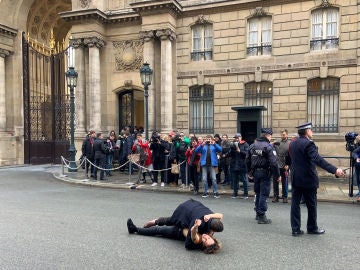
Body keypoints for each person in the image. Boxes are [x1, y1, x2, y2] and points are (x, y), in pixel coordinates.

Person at [288, 122, 345, 236]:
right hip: (308, 179)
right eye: (311, 130)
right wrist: (335, 170)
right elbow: (318, 159)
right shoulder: (309, 144)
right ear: (307, 131)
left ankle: (295, 229)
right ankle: (312, 227)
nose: (312, 132)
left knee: (295, 205)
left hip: (295, 178)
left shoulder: (293, 143)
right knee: (311, 205)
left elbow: (289, 159)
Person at [126, 218, 222, 254]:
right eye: (209, 238)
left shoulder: (197, 241)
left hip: (177, 232)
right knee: (165, 220)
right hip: (181, 224)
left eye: (205, 240)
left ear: (203, 245)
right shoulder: (209, 232)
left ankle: (135, 229)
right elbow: (219, 217)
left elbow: (193, 234)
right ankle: (152, 222)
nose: (205, 237)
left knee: (158, 230)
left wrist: (195, 227)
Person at [246, 128, 280, 224]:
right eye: (270, 136)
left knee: (258, 193)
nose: (270, 138)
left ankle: (257, 212)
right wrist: (277, 175)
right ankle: (261, 215)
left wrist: (249, 172)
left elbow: (247, 160)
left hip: (255, 173)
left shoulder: (252, 146)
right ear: (267, 136)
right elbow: (274, 163)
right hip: (265, 173)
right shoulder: (268, 146)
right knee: (264, 194)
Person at [228, 133, 249, 199]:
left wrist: (240, 151)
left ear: (240, 137)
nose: (236, 139)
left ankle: (246, 194)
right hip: (234, 165)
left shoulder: (245, 144)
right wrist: (225, 154)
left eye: (237, 138)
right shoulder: (233, 145)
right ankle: (235, 193)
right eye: (235, 138)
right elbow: (230, 153)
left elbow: (247, 154)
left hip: (242, 165)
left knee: (244, 180)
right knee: (235, 180)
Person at [272, 129, 291, 203]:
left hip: (285, 165)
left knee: (284, 181)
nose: (282, 136)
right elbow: (272, 151)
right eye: (281, 134)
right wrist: (273, 143)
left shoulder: (290, 143)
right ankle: (276, 196)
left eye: (284, 134)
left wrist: (288, 164)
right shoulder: (277, 141)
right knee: (275, 181)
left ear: (287, 135)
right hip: (276, 165)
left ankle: (284, 197)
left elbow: (290, 155)